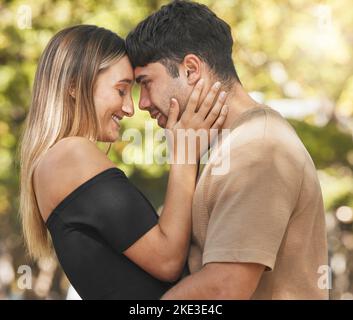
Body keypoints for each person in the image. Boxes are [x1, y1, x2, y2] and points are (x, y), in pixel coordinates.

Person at [125, 0, 329, 299]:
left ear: (191, 69)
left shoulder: (258, 147)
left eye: (146, 82)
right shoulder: (225, 146)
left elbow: (224, 288)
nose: (141, 103)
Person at [18, 24, 228, 299]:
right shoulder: (72, 155)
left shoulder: (56, 161)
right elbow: (167, 261)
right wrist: (185, 155)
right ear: (72, 85)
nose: (130, 108)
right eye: (121, 90)